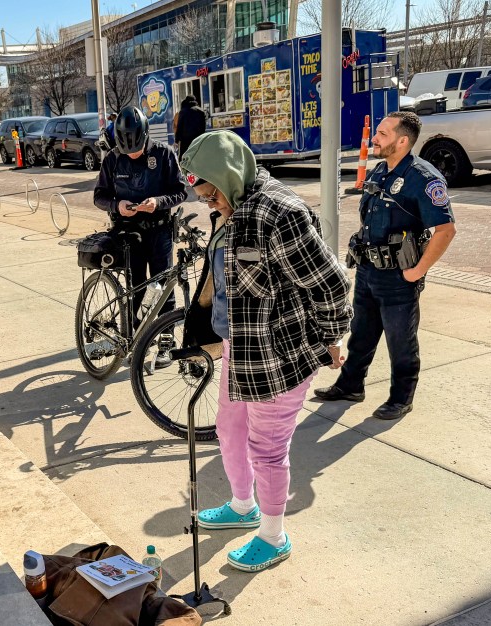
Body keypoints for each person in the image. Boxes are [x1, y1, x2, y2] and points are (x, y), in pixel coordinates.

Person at [180, 130, 352, 573]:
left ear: (229, 177)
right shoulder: (236, 206)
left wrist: (333, 336)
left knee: (267, 449)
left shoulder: (280, 214)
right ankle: (242, 506)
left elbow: (330, 283)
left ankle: (274, 536)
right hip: (244, 347)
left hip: (282, 357)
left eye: (211, 194)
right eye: (204, 197)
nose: (210, 204)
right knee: (229, 428)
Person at [314, 111, 456, 420]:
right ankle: (351, 385)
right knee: (361, 333)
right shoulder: (380, 171)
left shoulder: (424, 177)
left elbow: (446, 230)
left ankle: (401, 398)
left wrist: (417, 272)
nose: (374, 138)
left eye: (382, 133)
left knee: (400, 341)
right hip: (368, 270)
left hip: (398, 277)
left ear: (403, 140)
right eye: (376, 132)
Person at [93, 105, 186, 366]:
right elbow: (99, 196)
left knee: (163, 286)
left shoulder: (164, 154)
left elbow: (181, 192)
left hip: (159, 231)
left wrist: (158, 202)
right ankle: (138, 338)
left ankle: (166, 340)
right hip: (128, 233)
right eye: (128, 151)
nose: (132, 155)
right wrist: (117, 206)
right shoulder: (112, 159)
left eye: (137, 150)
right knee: (136, 288)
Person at [174, 94, 207, 159]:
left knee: (184, 158)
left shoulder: (183, 111)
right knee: (197, 157)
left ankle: (183, 169)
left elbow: (179, 127)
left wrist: (176, 141)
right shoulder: (201, 112)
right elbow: (203, 128)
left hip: (185, 140)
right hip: (198, 140)